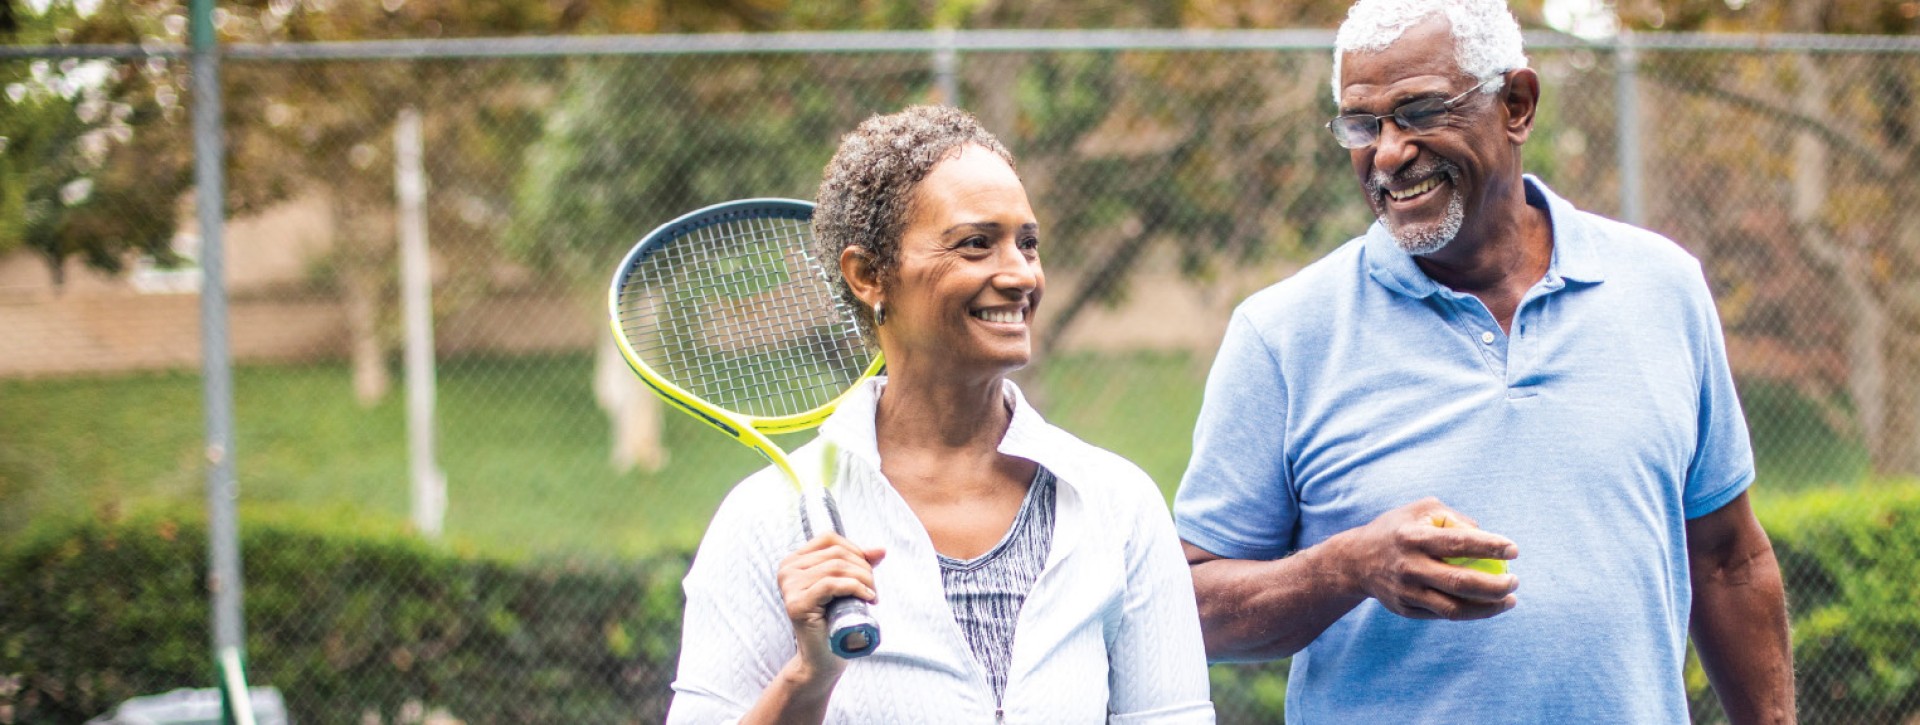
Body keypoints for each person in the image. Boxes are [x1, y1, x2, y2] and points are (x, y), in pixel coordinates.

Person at [1172, 1, 1795, 722]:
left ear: (1517, 106)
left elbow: (1728, 559)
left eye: (1420, 112)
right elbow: (1187, 605)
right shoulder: (1283, 335)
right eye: (1363, 123)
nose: (1388, 152)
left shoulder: (1663, 289)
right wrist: (1346, 569)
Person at [667, 105, 1215, 724]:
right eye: (976, 244)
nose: (1019, 274)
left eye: (1027, 243)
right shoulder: (763, 520)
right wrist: (808, 676)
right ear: (869, 274)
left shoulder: (1118, 504)